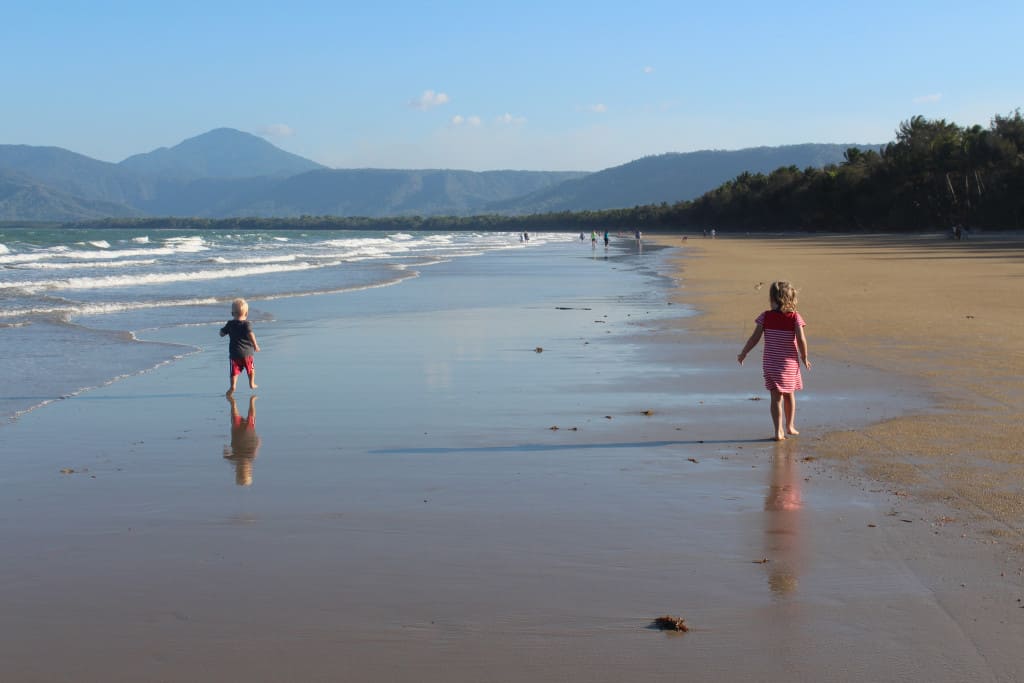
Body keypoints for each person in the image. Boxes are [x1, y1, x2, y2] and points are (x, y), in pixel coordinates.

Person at [737, 281, 811, 441]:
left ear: (772, 299)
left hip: (770, 364)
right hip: (788, 365)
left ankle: (778, 431)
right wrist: (804, 356)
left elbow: (754, 338)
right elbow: (801, 339)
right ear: (791, 299)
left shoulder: (765, 317)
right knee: (789, 395)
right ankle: (790, 426)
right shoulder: (795, 318)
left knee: (775, 398)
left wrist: (744, 352)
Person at [220, 298, 261, 396]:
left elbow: (222, 333)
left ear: (232, 313)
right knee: (251, 369)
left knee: (234, 372)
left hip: (234, 354)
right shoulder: (246, 324)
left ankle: (233, 386)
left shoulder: (230, 324)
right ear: (246, 313)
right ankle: (251, 383)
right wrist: (255, 345)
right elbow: (251, 334)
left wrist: (221, 332)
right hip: (247, 354)